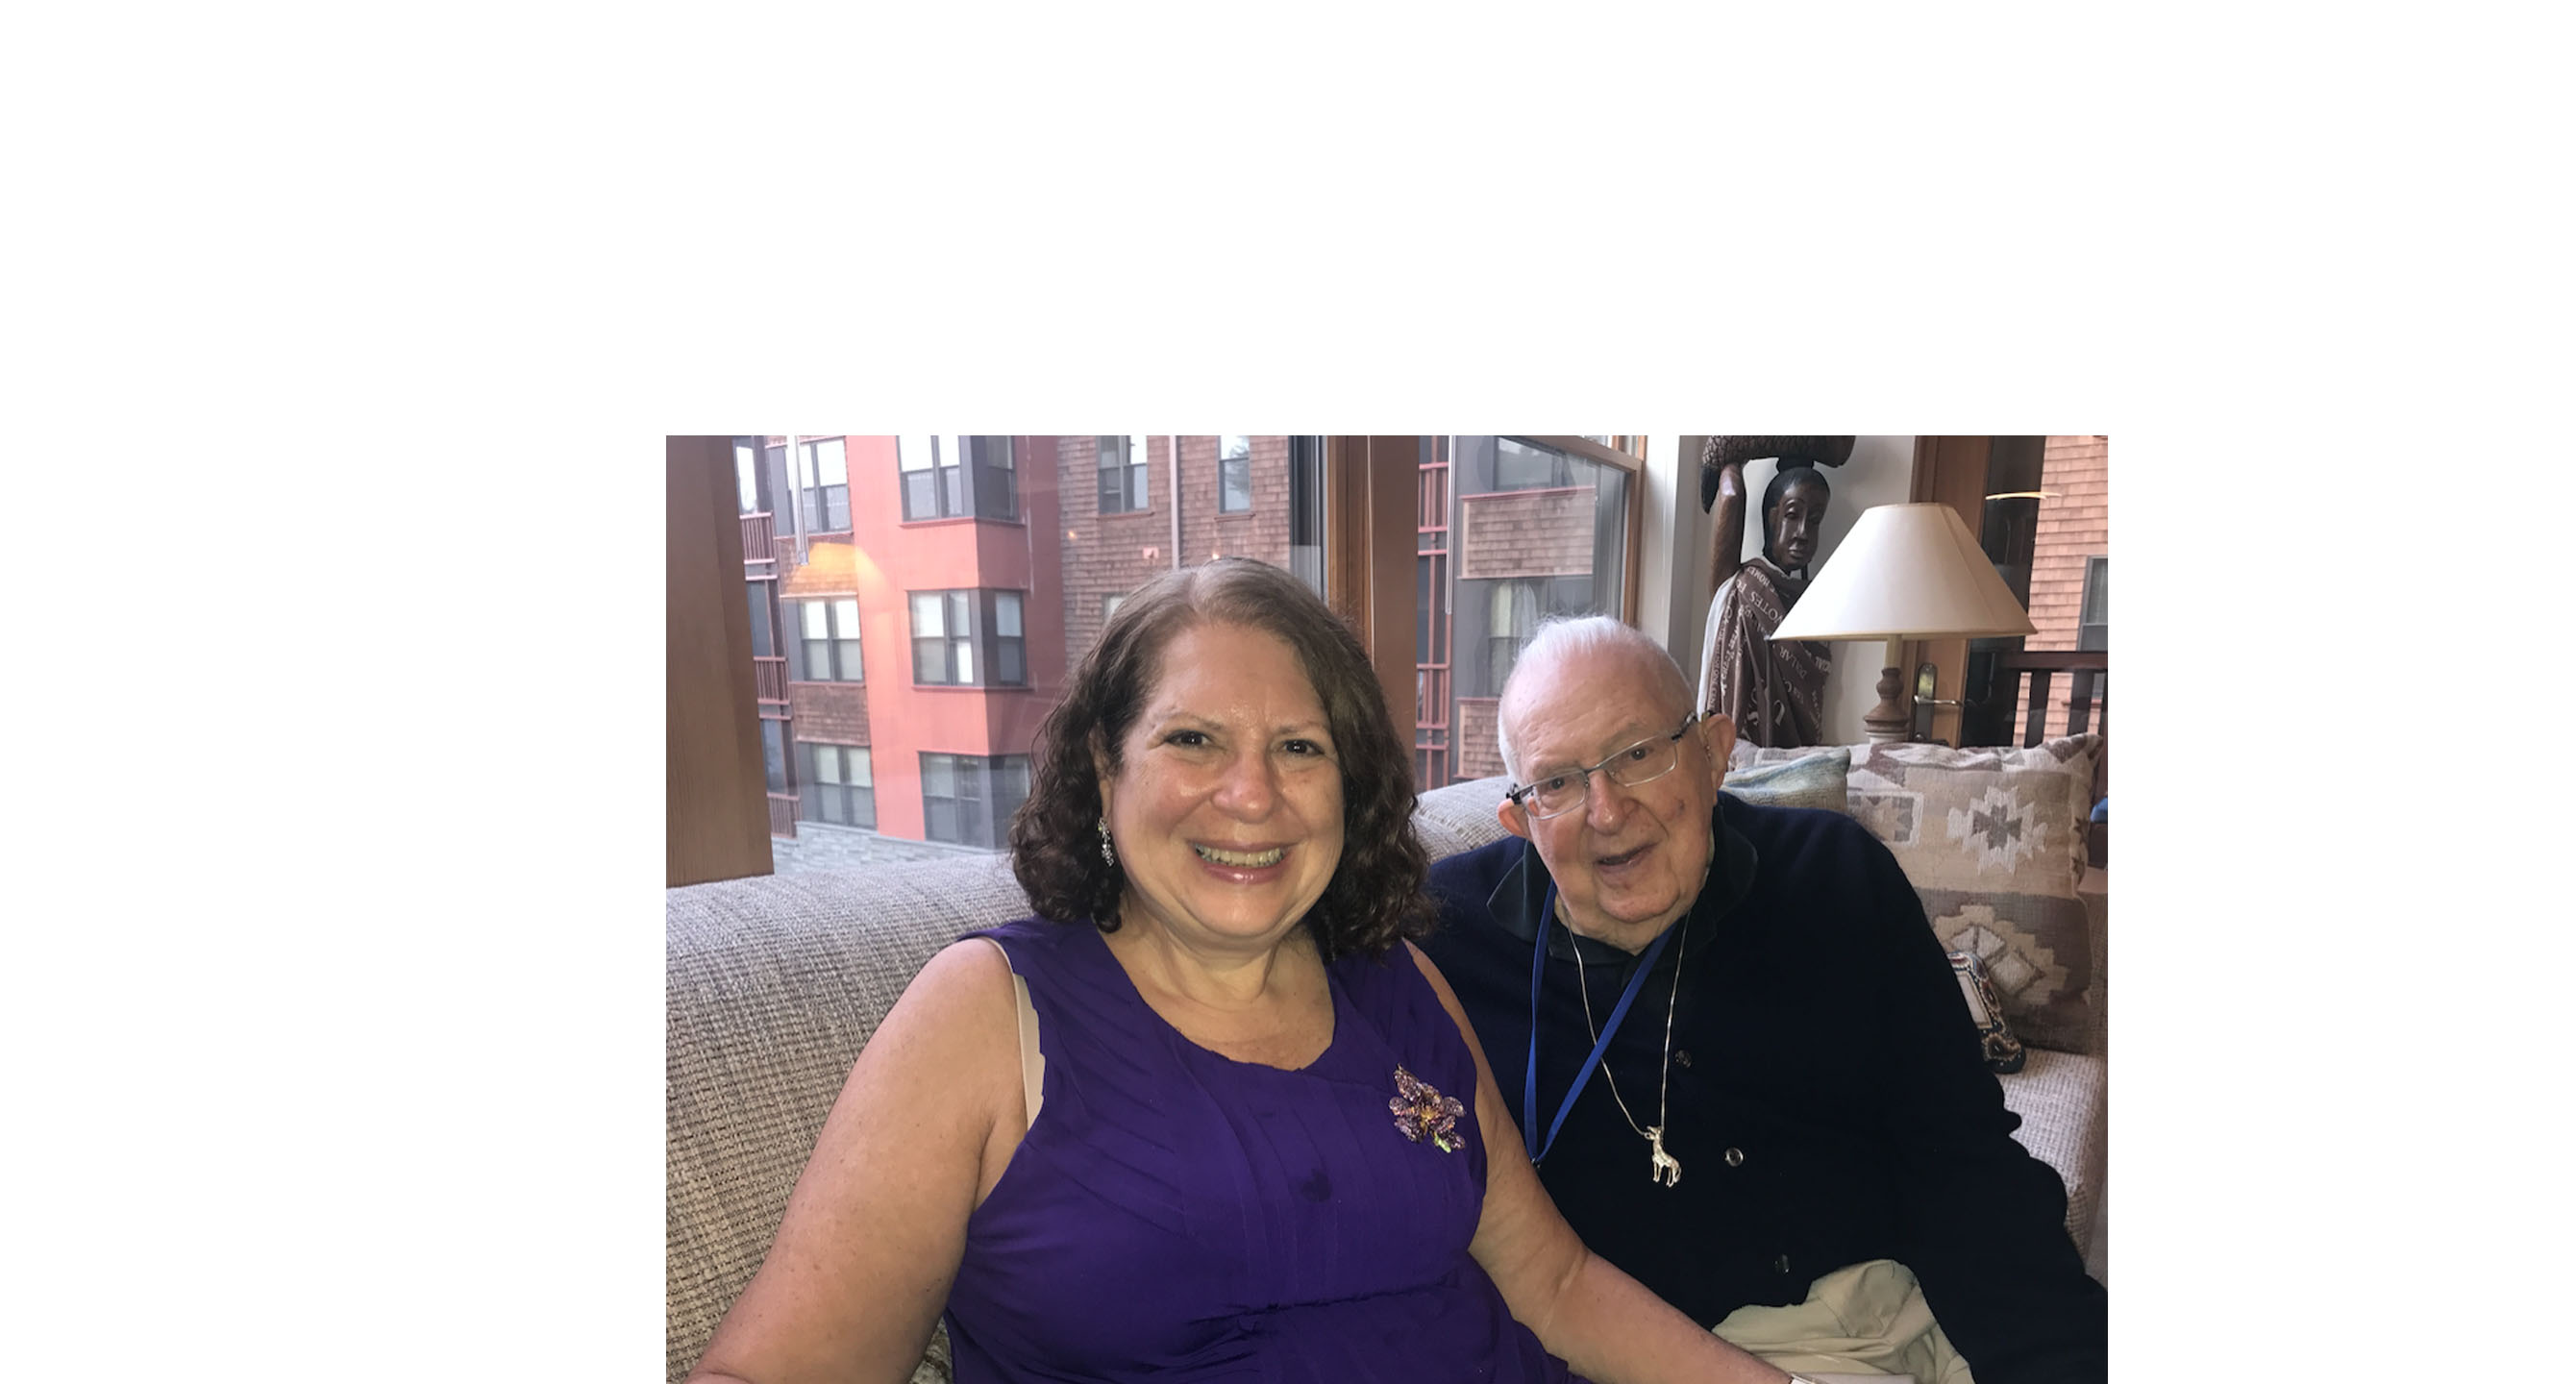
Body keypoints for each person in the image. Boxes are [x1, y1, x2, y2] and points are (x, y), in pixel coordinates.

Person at [687, 559, 1790, 1384]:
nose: (1253, 795)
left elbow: (1553, 1284)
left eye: (1300, 748)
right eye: (1194, 741)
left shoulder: (1401, 982)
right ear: (1101, 767)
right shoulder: (988, 1014)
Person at [1420, 616, 2108, 1384]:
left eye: (1639, 754)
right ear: (1519, 819)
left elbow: (1965, 1163)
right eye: (1558, 782)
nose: (1606, 812)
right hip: (1636, 1352)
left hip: (1890, 1316)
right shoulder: (1439, 941)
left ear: (1712, 753)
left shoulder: (1836, 877)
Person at [1703, 457, 1836, 749]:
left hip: (1800, 761)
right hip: (1739, 759)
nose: (1802, 533)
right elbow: (1731, 497)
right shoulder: (1740, 585)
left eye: (1814, 520)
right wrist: (1732, 458)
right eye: (1792, 515)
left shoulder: (1818, 601)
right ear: (1770, 518)